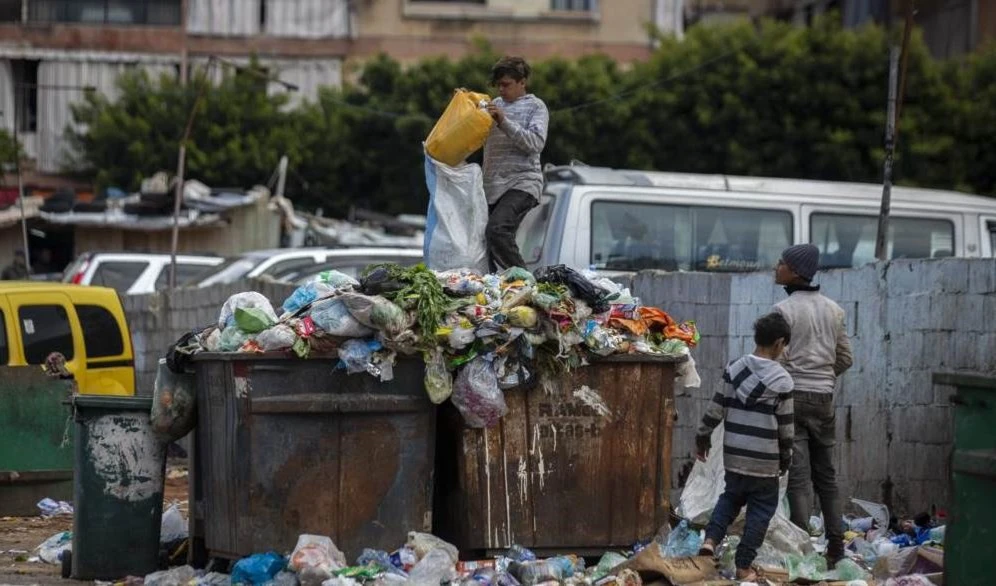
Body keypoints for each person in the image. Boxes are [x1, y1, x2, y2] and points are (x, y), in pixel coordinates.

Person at [695, 312, 795, 582]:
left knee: (730, 498)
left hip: (735, 457)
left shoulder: (734, 369)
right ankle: (743, 565)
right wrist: (785, 457)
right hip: (764, 461)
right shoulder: (783, 381)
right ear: (779, 343)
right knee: (760, 511)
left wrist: (702, 437)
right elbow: (786, 428)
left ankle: (710, 541)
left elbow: (715, 408)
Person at [772, 243, 854, 567]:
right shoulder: (834, 310)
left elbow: (776, 360)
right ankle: (836, 547)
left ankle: (802, 549)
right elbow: (845, 357)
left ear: (795, 272)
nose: (777, 267)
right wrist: (824, 377)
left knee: (798, 477)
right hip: (824, 399)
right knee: (826, 476)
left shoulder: (783, 311)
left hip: (793, 397)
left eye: (782, 263)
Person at [482, 56, 549, 272]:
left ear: (522, 82)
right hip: (492, 187)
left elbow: (535, 143)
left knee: (498, 230)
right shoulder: (493, 105)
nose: (501, 90)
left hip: (523, 183)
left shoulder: (536, 107)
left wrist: (503, 122)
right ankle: (494, 285)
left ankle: (526, 280)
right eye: (498, 85)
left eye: (506, 84)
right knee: (485, 243)